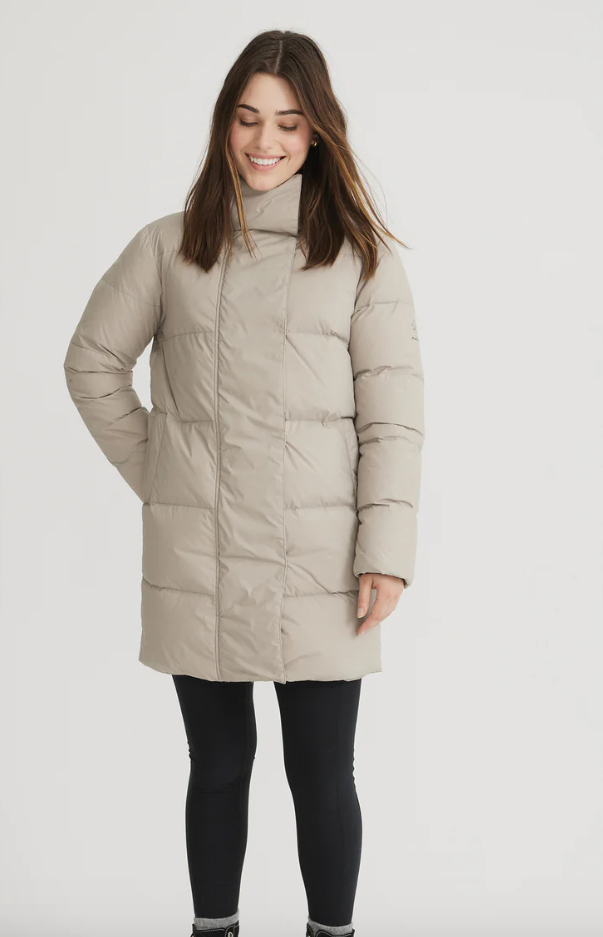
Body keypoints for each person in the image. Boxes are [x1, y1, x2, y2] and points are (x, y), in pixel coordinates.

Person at [63, 28, 425, 937]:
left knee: (322, 773)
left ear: (318, 133)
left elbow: (391, 417)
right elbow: (91, 362)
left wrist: (384, 550)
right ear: (223, 124)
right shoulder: (168, 246)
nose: (265, 142)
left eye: (289, 123)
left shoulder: (361, 258)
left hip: (322, 562)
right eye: (248, 118)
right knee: (217, 766)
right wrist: (166, 475)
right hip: (203, 556)